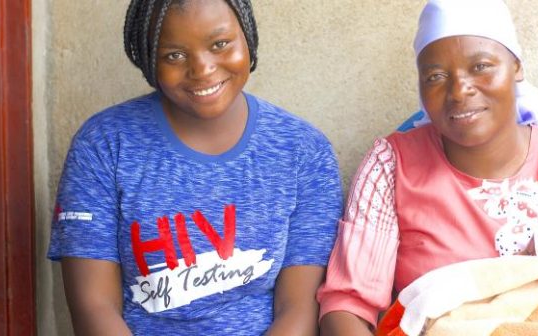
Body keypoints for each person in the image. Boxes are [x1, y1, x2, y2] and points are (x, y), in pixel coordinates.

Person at [316, 1, 538, 335]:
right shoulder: (391, 168)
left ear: (516, 67)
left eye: (480, 66)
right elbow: (348, 306)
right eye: (436, 76)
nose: (460, 89)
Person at [47, 0, 343, 335]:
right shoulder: (103, 145)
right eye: (174, 54)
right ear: (148, 58)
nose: (202, 69)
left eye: (220, 44)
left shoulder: (303, 151)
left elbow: (299, 308)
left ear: (247, 35)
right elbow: (93, 306)